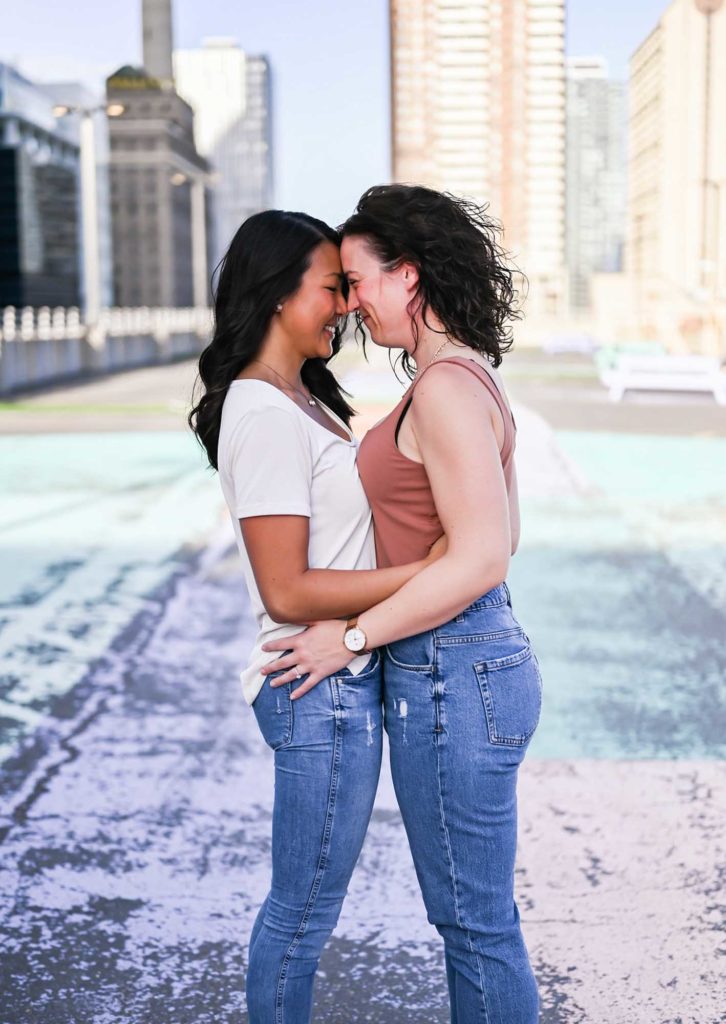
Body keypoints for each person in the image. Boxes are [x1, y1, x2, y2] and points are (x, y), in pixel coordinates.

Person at [261, 185, 542, 1023]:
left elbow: (484, 553)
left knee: (476, 927)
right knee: (476, 923)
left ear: (409, 275)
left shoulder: (448, 389)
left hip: (456, 671)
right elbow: (500, 535)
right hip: (467, 665)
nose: (351, 302)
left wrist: (352, 635)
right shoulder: (466, 379)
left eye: (358, 280)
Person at [188, 209, 444, 1024]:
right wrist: (426, 578)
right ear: (274, 295)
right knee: (299, 921)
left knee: (306, 916)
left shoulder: (299, 397)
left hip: (338, 681)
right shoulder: (260, 409)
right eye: (330, 288)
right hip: (316, 691)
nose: (343, 305)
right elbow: (286, 590)